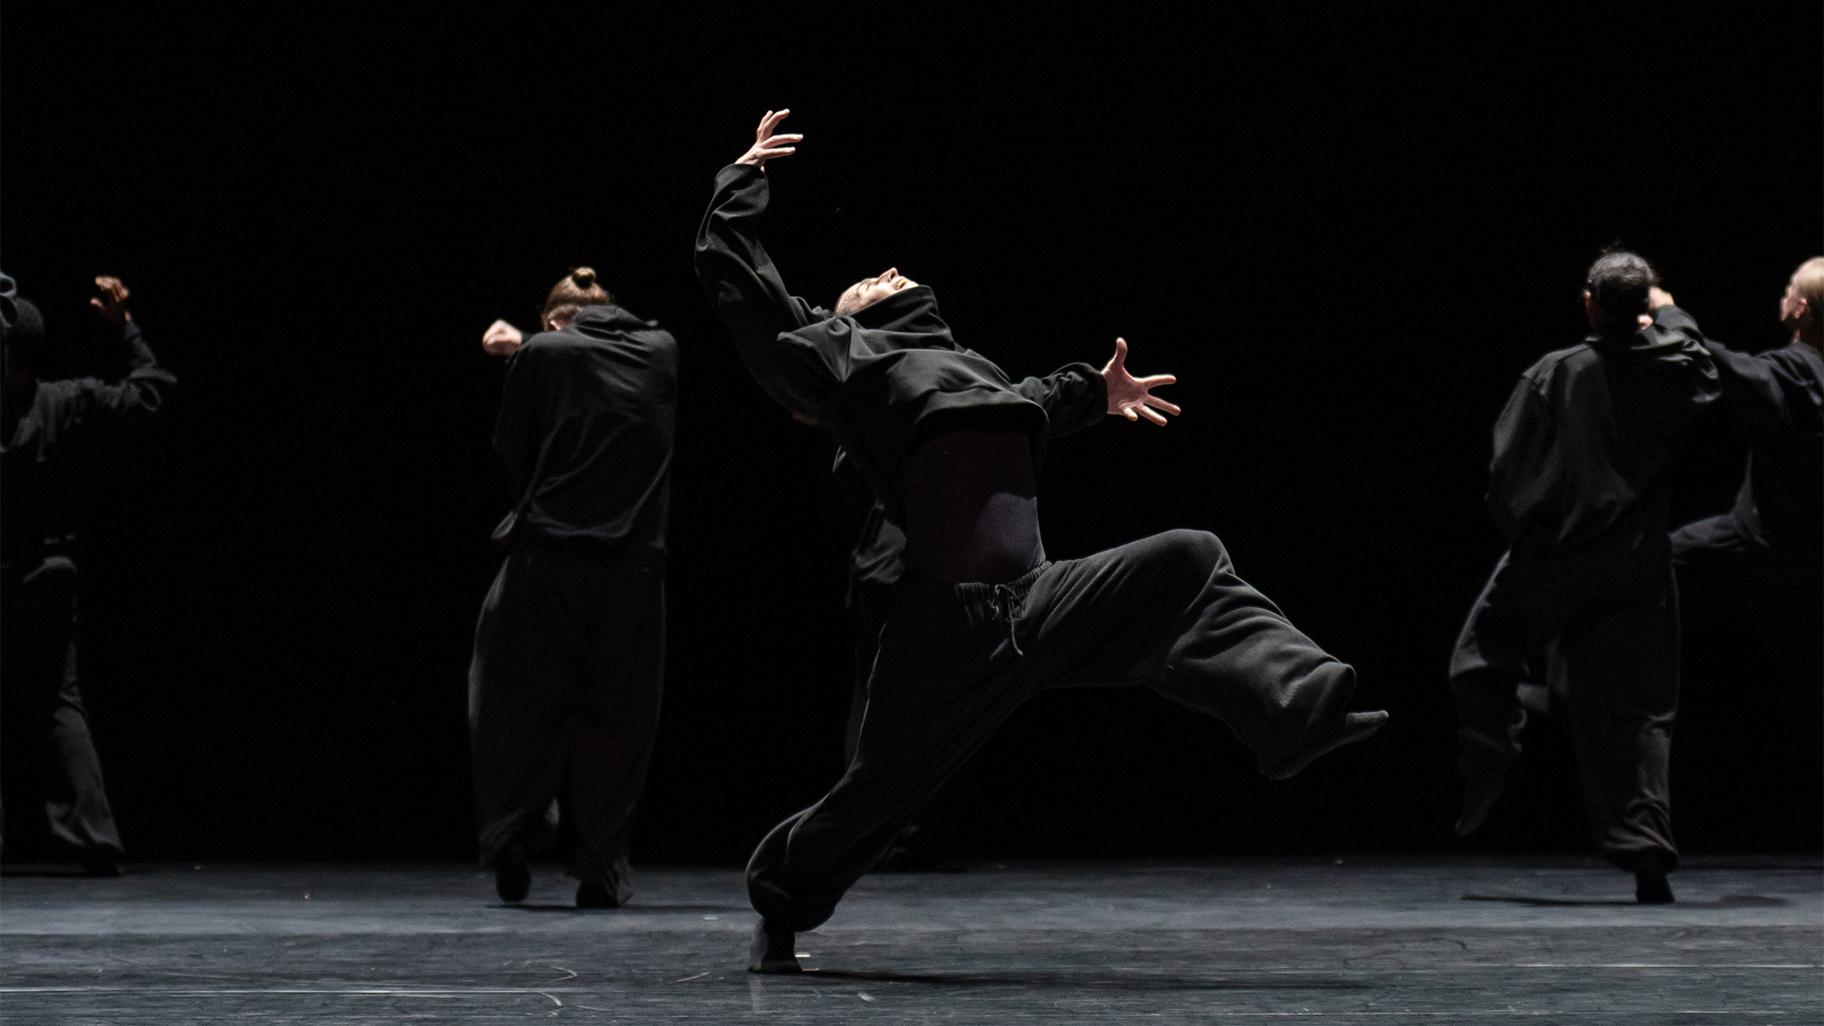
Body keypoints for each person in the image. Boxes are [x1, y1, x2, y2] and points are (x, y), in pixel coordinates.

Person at [695, 109, 1387, 972]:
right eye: (866, 281)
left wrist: (1096, 394)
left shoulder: (973, 367)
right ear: (845, 318)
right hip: (948, 625)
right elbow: (748, 298)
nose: (884, 272)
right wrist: (740, 183)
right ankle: (781, 901)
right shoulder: (845, 359)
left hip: (1036, 599)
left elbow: (1033, 400)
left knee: (1188, 553)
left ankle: (1300, 713)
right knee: (881, 788)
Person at [1449, 249, 1719, 904]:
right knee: (1641, 710)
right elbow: (1700, 363)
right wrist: (1669, 309)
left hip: (1556, 557)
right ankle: (1647, 846)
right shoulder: (1674, 368)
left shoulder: (1556, 373)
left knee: (1477, 662)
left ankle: (1491, 759)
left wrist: (1532, 533)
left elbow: (1504, 477)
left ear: (1591, 302)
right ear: (1645, 307)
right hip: (1635, 563)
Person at [468, 268, 677, 909]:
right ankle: (601, 867)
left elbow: (514, 447)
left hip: (549, 558)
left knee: (509, 703)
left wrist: (525, 350)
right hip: (634, 568)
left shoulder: (543, 350)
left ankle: (515, 828)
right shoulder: (663, 348)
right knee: (618, 721)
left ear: (555, 319)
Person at [1, 274, 177, 875]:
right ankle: (96, 834)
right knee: (60, 704)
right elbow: (150, 392)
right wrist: (126, 329)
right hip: (49, 576)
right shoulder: (67, 402)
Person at [1666, 259, 1823, 640]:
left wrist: (1666, 312)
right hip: (1811, 556)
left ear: (1801, 310)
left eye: (1790, 288)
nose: (1784, 293)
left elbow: (1724, 367)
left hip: (1765, 544)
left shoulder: (1797, 371)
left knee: (1650, 567)